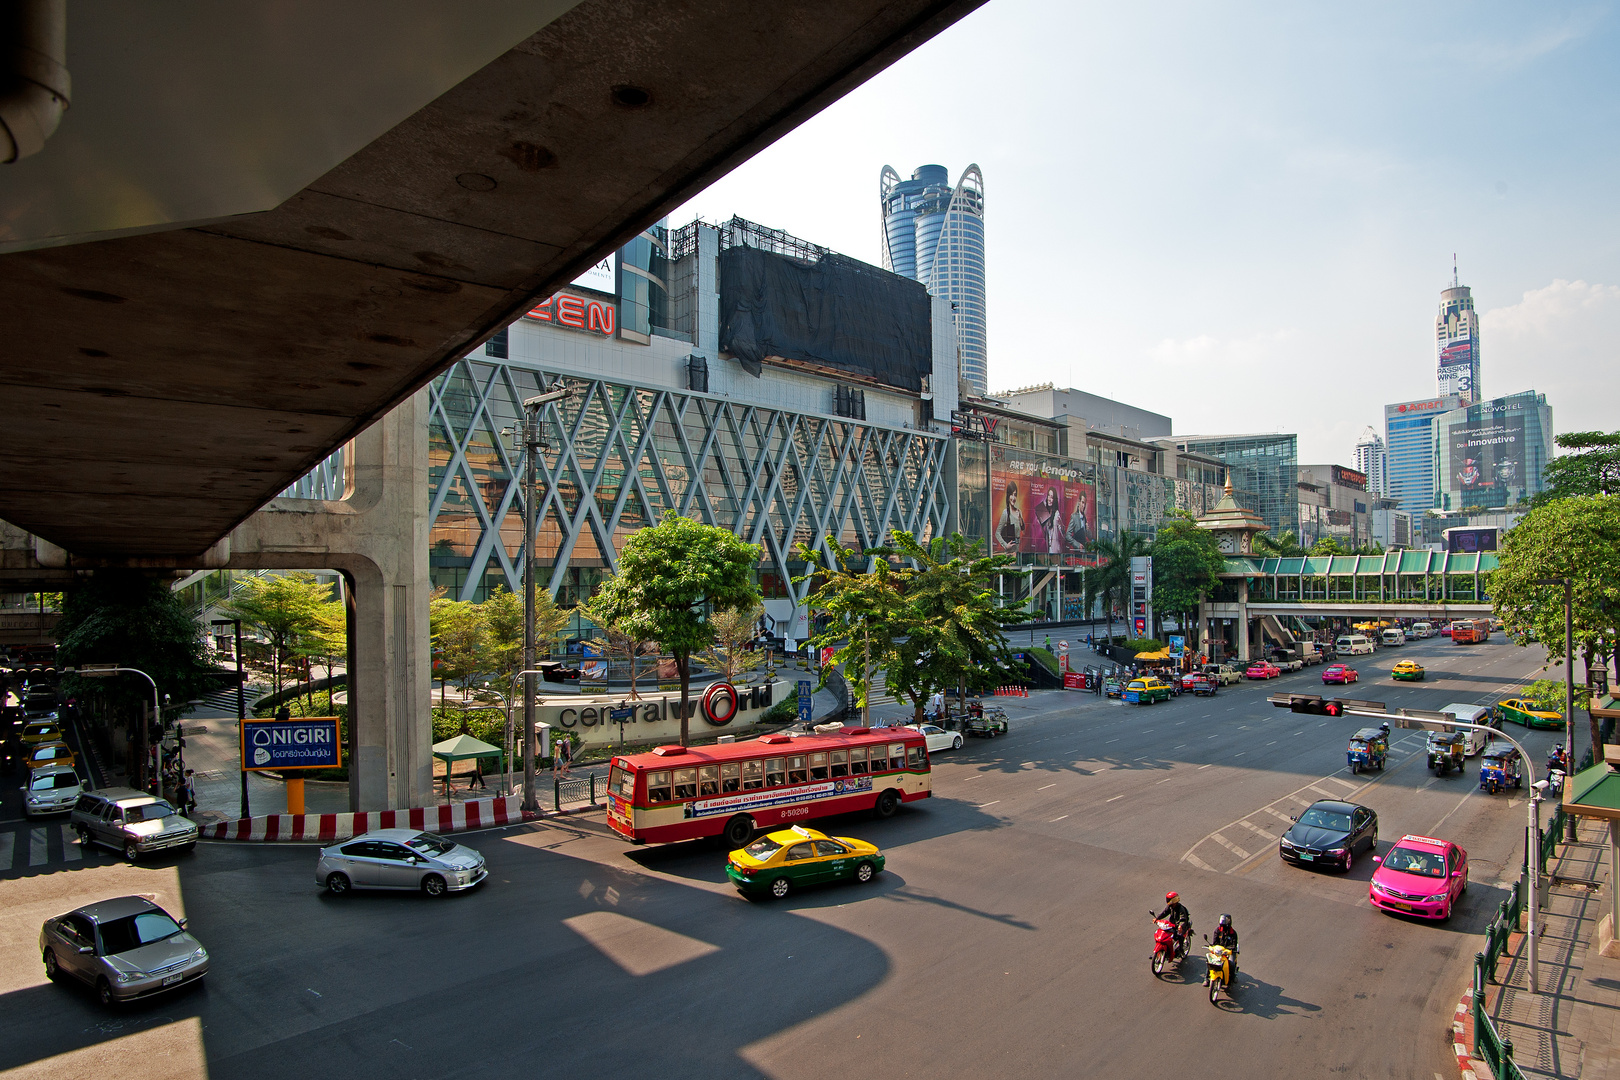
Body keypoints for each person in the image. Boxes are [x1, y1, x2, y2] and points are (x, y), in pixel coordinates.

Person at [996, 483, 1024, 552]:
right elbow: (997, 533)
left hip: (1018, 552)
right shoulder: (1005, 513)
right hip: (1010, 554)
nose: (1013, 498)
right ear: (1008, 496)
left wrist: (1020, 518)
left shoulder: (1019, 511)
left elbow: (1023, 531)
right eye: (1011, 494)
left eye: (1015, 495)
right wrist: (1005, 545)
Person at [1212, 913, 1239, 980]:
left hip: (1228, 951)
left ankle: (1233, 977)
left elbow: (1234, 944)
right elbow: (1215, 942)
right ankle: (1206, 979)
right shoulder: (1217, 931)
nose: (1222, 928)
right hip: (1219, 951)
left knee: (1231, 964)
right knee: (1210, 961)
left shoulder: (1233, 933)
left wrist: (1230, 949)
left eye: (1224, 926)